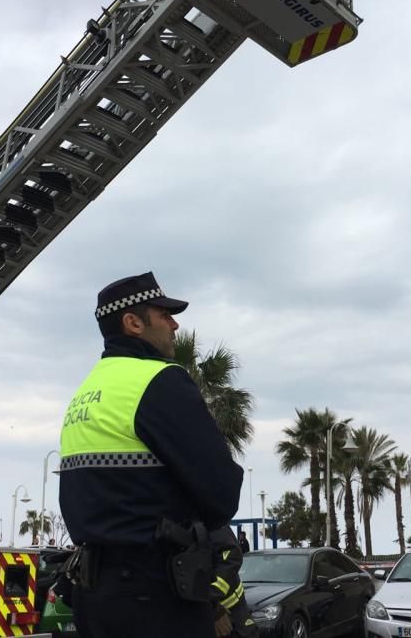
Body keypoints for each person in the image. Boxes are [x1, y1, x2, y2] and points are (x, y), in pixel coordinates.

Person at [59, 272, 244, 638]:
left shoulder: (88, 390)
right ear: (133, 323)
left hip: (95, 594)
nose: (175, 325)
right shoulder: (158, 380)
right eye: (164, 315)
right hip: (156, 593)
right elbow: (221, 494)